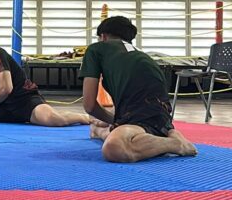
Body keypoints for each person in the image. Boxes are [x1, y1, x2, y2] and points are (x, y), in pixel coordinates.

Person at [80, 16, 198, 163]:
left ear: (103, 37)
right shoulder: (139, 55)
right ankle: (169, 133)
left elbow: (89, 106)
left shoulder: (96, 49)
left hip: (141, 116)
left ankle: (175, 144)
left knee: (114, 147)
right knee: (98, 130)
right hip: (161, 116)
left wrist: (113, 120)